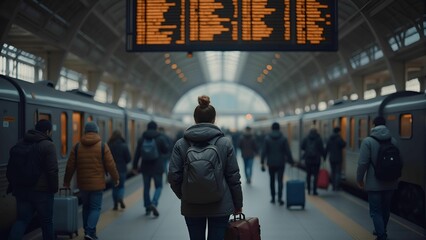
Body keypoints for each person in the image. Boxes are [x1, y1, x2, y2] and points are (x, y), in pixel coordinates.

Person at [168, 95, 243, 240]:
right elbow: (233, 176)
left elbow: (173, 176)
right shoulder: (225, 143)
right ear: (214, 119)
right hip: (220, 204)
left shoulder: (180, 144)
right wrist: (238, 204)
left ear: (195, 119)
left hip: (191, 205)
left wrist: (185, 194)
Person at [63, 122, 119, 240]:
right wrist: (116, 178)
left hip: (83, 185)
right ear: (97, 131)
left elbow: (70, 166)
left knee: (86, 207)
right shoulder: (103, 146)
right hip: (97, 184)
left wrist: (66, 182)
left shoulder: (77, 146)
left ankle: (89, 232)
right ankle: (89, 231)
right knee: (95, 208)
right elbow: (111, 165)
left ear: (85, 132)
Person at [8, 119, 58, 240]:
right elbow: (52, 171)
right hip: (42, 192)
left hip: (22, 191)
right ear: (47, 131)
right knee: (46, 222)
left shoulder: (20, 143)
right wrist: (54, 189)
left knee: (22, 220)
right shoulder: (48, 145)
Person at [357, 116, 400, 240]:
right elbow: (399, 161)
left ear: (373, 125)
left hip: (374, 183)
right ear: (385, 125)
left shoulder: (368, 141)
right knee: (386, 209)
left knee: (375, 211)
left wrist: (360, 179)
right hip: (391, 182)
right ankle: (382, 230)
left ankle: (381, 235)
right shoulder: (393, 141)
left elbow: (362, 163)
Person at [132, 120, 170, 217]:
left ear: (147, 128)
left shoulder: (142, 139)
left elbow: (137, 154)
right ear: (156, 128)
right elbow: (166, 150)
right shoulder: (160, 138)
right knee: (158, 186)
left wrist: (135, 166)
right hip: (157, 167)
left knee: (146, 188)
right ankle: (154, 202)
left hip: (145, 167)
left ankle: (147, 207)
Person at [261, 122, 294, 205]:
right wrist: (291, 162)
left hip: (271, 163)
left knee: (272, 180)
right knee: (280, 180)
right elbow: (288, 151)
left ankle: (273, 198)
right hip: (280, 163)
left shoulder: (267, 138)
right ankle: (279, 198)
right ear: (279, 128)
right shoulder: (283, 138)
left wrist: (262, 162)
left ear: (272, 128)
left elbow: (264, 151)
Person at [107, 130, 131, 210]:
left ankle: (115, 205)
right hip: (122, 169)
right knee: (121, 186)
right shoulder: (124, 145)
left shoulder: (109, 145)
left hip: (113, 170)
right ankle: (120, 197)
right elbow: (128, 159)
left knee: (114, 187)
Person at [301, 128, 325, 196]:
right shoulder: (318, 139)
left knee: (308, 175)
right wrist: (324, 156)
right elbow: (322, 149)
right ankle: (314, 190)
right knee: (316, 175)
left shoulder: (306, 138)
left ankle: (308, 190)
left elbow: (302, 147)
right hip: (316, 160)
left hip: (308, 159)